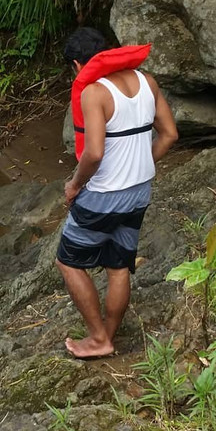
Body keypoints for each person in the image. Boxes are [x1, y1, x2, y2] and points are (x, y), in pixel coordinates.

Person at [56, 27, 178, 359]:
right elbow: (169, 134)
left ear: (79, 65)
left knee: (67, 261)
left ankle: (98, 337)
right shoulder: (146, 81)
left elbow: (93, 153)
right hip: (139, 192)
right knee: (117, 264)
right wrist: (139, 164)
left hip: (104, 194)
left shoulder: (93, 92)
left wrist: (74, 184)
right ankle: (107, 336)